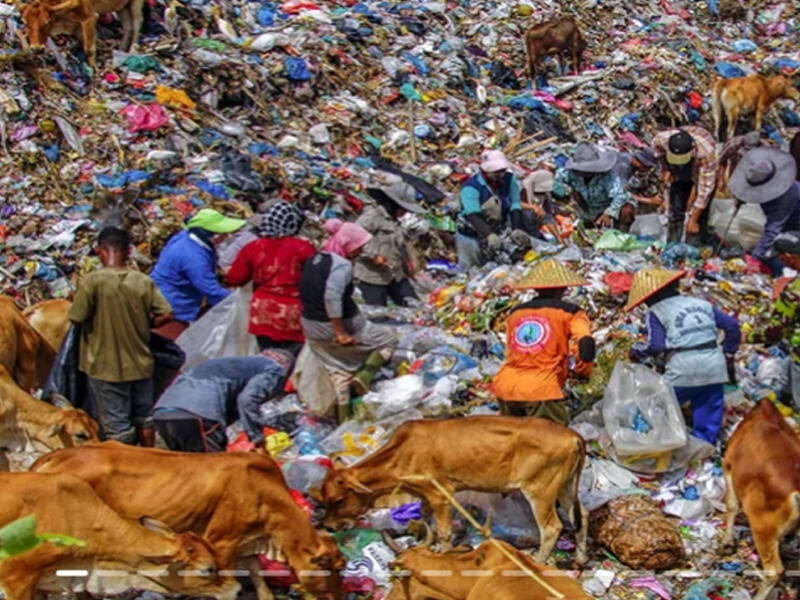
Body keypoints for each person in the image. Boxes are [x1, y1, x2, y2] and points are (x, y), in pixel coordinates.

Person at [68, 227, 174, 446]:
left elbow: (76, 317)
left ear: (100, 251)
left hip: (105, 367)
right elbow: (167, 314)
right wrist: (147, 323)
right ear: (128, 251)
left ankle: (126, 470)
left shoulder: (92, 281)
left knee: (117, 427)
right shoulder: (142, 281)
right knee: (145, 418)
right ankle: (150, 459)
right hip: (141, 363)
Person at [627, 269, 740, 444]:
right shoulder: (701, 303)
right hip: (714, 364)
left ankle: (646, 446)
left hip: (683, 368)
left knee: (655, 408)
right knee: (707, 421)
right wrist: (728, 352)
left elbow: (656, 345)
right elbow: (732, 326)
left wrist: (636, 351)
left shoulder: (656, 311)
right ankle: (703, 457)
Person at [299, 219, 397, 423]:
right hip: (338, 326)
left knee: (338, 370)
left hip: (311, 328)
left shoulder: (314, 259)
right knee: (389, 340)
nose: (360, 252)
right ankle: (364, 377)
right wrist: (340, 332)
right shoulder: (341, 265)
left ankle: (344, 423)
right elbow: (331, 297)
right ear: (347, 244)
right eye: (358, 247)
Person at [492, 259, 595, 424]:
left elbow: (513, 349)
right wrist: (583, 371)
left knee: (516, 445)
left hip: (506, 387)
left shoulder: (515, 313)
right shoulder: (571, 312)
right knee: (553, 444)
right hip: (541, 389)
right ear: (564, 288)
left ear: (534, 288)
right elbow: (586, 344)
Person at [152, 349, 294, 452]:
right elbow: (247, 401)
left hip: (163, 412)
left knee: (187, 469)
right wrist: (257, 439)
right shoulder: (274, 369)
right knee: (213, 472)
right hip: (196, 415)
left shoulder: (235, 364)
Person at [227, 201, 314, 355]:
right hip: (292, 312)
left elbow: (235, 279)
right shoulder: (303, 248)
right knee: (288, 356)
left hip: (262, 310)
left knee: (265, 353)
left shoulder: (253, 247)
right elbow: (314, 280)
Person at [151, 208, 246, 340]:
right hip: (174, 305)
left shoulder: (186, 237)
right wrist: (239, 301)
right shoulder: (193, 257)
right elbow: (210, 290)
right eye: (222, 233)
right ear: (209, 235)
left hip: (169, 295)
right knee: (175, 344)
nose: (226, 236)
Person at [743, 231, 800, 407]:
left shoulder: (794, 290)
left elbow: (776, 331)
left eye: (782, 258)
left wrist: (748, 337)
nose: (782, 262)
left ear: (789, 257)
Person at [728, 147, 800, 274]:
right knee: (761, 250)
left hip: (795, 229)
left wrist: (756, 258)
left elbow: (773, 228)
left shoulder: (787, 194)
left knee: (778, 246)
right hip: (786, 226)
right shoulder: (768, 186)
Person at [356, 180, 425, 307]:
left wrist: (408, 268)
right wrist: (374, 256)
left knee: (414, 307)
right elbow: (355, 238)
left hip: (396, 274)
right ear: (392, 204)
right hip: (373, 276)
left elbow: (398, 247)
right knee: (378, 314)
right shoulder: (372, 217)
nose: (405, 213)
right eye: (403, 209)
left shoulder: (396, 221)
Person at [456, 149, 525, 270]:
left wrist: (517, 228)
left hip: (495, 227)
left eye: (502, 171)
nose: (500, 175)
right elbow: (472, 214)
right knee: (473, 269)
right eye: (496, 172)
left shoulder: (509, 180)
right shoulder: (471, 187)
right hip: (471, 232)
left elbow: (515, 204)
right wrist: (489, 235)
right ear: (484, 170)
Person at [651, 126, 718, 245]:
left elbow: (704, 191)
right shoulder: (662, 139)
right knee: (676, 204)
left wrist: (693, 219)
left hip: (699, 165)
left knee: (700, 215)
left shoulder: (707, 153)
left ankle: (695, 245)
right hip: (680, 166)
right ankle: (672, 243)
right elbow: (658, 152)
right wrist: (665, 169)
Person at [554, 141, 636, 230]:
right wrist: (568, 192)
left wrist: (609, 213)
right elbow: (555, 180)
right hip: (585, 209)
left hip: (606, 207)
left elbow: (619, 195)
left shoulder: (608, 176)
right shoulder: (572, 174)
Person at [520, 170, 563, 241]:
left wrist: (558, 237)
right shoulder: (523, 189)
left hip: (534, 228)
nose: (540, 195)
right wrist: (532, 207)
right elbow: (515, 203)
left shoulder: (545, 195)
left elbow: (548, 217)